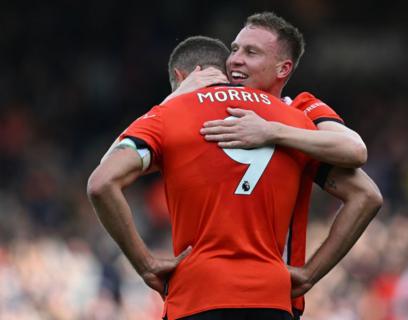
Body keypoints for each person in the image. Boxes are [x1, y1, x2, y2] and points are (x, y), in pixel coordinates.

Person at [87, 36, 326, 320]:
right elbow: (367, 195)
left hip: (196, 296)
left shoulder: (169, 114)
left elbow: (102, 181)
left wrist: (146, 264)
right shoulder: (291, 118)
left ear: (181, 77)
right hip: (273, 297)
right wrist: (311, 273)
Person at [167, 12, 383, 319]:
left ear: (283, 69)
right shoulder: (209, 111)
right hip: (208, 294)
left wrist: (272, 131)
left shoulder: (299, 110)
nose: (234, 60)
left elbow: (356, 155)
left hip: (267, 296)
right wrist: (177, 99)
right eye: (235, 49)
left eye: (251, 52)